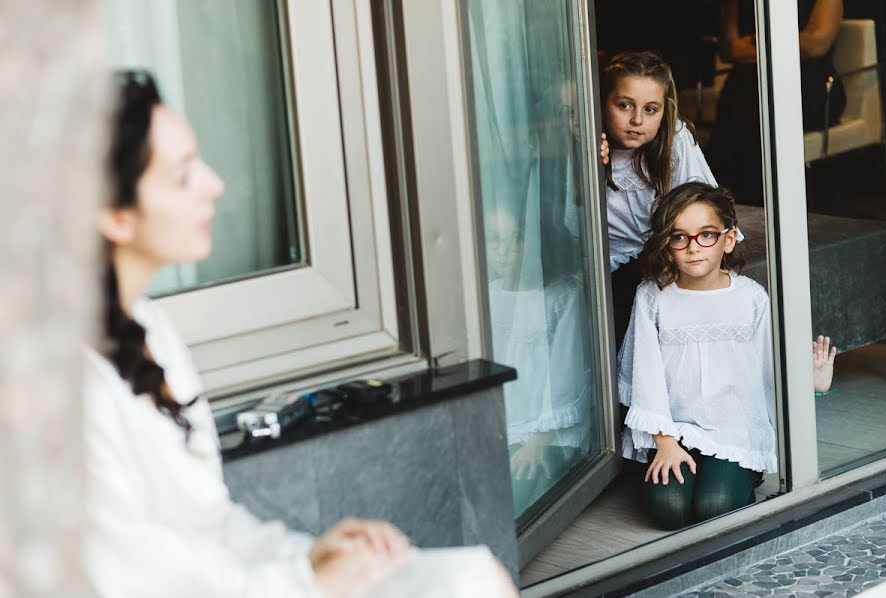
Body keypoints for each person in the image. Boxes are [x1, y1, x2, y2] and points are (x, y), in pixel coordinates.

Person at [83, 70, 518, 598]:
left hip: (260, 582)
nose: (215, 184)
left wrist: (311, 554)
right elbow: (128, 579)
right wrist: (307, 581)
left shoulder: (150, 329)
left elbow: (211, 522)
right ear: (113, 216)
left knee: (473, 577)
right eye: (182, 175)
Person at [617, 181, 776, 531]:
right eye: (679, 237)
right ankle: (698, 471)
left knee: (715, 507)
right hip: (676, 430)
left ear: (728, 239)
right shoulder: (653, 297)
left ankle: (741, 473)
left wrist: (814, 384)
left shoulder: (751, 298)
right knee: (668, 510)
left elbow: (768, 371)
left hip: (735, 430)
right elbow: (646, 374)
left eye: (706, 235)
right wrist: (664, 442)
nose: (693, 248)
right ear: (667, 245)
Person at [600, 51, 719, 347]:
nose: (637, 120)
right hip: (603, 264)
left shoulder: (673, 138)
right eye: (624, 105)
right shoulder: (588, 142)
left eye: (650, 109)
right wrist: (585, 164)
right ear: (602, 102)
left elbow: (703, 206)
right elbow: (564, 222)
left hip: (660, 257)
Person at [485, 203, 592, 518]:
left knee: (518, 498)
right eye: (494, 239)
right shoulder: (487, 295)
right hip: (504, 422)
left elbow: (566, 374)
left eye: (515, 239)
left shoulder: (562, 296)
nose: (503, 252)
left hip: (550, 425)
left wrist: (539, 439)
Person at [709, 0, 846, 206]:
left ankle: (760, 206)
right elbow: (729, 49)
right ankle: (726, 203)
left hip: (807, 83)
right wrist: (784, 40)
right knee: (743, 109)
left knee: (757, 114)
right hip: (748, 83)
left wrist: (755, 41)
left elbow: (816, 43)